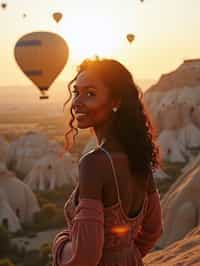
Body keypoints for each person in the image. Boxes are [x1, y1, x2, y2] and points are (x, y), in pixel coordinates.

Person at [52, 58, 163, 266]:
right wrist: (124, 255)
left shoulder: (93, 163)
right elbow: (154, 229)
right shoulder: (138, 157)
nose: (77, 102)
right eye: (76, 92)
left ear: (116, 101)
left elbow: (84, 258)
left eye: (90, 94)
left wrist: (59, 244)